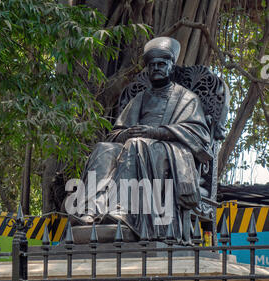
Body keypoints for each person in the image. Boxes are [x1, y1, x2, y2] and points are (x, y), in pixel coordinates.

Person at [65, 37, 213, 243]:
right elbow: (116, 133)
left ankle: (123, 210)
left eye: (161, 64)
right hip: (135, 146)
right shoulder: (139, 99)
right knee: (104, 149)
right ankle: (91, 211)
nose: (156, 69)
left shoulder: (187, 98)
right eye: (152, 66)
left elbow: (199, 136)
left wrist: (155, 132)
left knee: (137, 145)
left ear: (171, 66)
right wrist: (127, 133)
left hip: (168, 151)